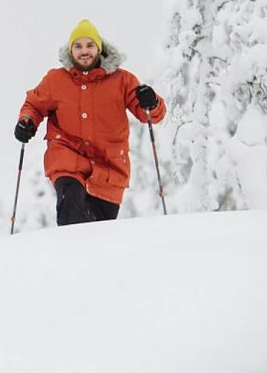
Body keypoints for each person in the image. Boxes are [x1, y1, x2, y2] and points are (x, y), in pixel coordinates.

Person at [14, 19, 166, 226]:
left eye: (89, 45)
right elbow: (34, 104)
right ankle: (69, 256)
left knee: (99, 232)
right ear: (70, 51)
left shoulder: (122, 80)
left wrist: (152, 102)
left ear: (99, 48)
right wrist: (27, 122)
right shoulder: (55, 80)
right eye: (78, 46)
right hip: (67, 158)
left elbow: (150, 114)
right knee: (71, 213)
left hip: (110, 169)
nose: (84, 51)